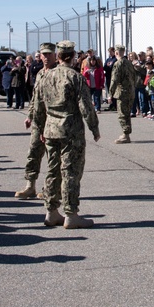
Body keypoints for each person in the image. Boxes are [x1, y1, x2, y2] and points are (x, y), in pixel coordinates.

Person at [31, 40, 100, 229]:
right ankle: (71, 213)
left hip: (50, 129)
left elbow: (38, 107)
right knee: (70, 171)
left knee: (53, 170)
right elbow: (85, 106)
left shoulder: (45, 77)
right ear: (73, 56)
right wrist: (94, 127)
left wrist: (40, 128)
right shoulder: (75, 77)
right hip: (70, 131)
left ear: (58, 56)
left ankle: (51, 212)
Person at [16, 44, 58, 199]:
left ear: (55, 55)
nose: (45, 57)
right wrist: (30, 116)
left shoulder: (58, 73)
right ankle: (30, 186)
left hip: (53, 122)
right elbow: (35, 98)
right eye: (43, 55)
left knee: (53, 157)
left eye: (48, 54)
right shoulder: (40, 73)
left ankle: (51, 189)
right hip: (38, 122)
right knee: (33, 153)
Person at [108, 45, 137, 143]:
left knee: (122, 114)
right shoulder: (129, 63)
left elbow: (114, 80)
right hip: (130, 91)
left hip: (122, 92)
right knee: (127, 113)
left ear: (116, 53)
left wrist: (110, 93)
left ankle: (126, 135)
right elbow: (134, 76)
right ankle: (126, 133)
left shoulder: (118, 64)